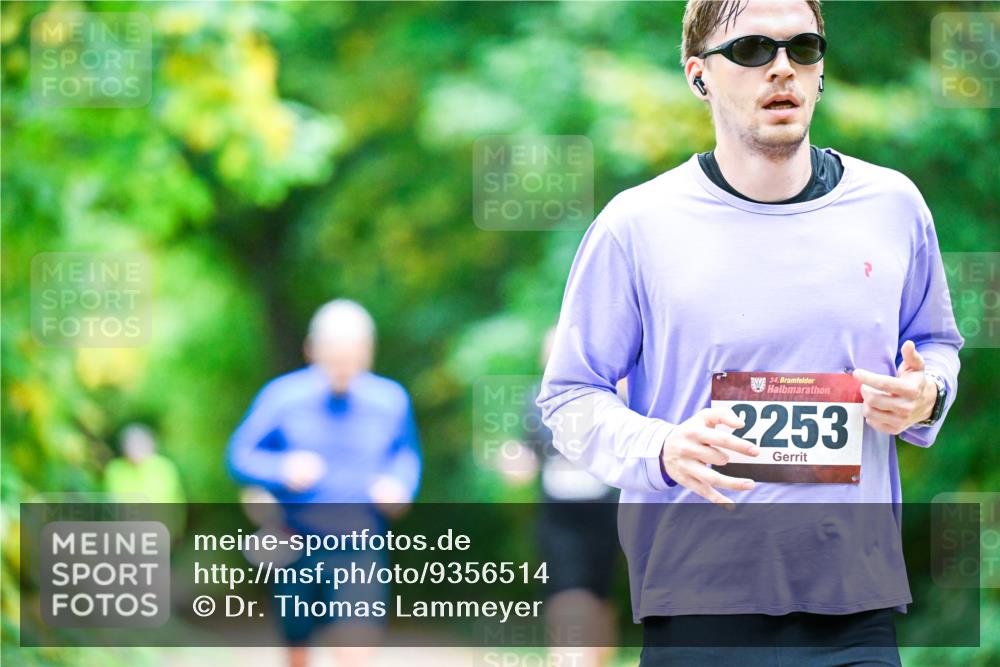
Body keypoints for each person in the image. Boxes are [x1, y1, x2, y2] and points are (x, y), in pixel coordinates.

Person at [536, 1, 963, 665]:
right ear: (698, 74)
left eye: (804, 49)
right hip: (699, 604)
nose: (782, 69)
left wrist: (926, 394)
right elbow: (568, 399)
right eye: (752, 50)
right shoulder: (637, 225)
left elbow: (937, 344)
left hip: (856, 605)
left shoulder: (893, 205)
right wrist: (663, 444)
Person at [227, 299, 421, 667]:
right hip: (293, 541)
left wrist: (400, 485)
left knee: (355, 649)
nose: (343, 366)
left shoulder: (391, 400)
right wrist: (281, 467)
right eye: (334, 355)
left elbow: (406, 455)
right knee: (298, 648)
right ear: (312, 350)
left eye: (353, 355)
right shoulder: (281, 397)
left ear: (369, 352)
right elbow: (239, 455)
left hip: (359, 542)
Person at [495, 326, 620, 667]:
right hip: (557, 518)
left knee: (596, 602)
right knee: (567, 596)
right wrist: (516, 460)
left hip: (603, 516)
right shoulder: (535, 401)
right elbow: (527, 451)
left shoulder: (607, 399)